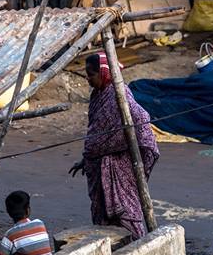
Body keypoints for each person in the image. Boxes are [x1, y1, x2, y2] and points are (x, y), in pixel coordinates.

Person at [68, 54, 159, 239]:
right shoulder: (98, 95)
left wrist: (139, 143)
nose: (88, 78)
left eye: (91, 74)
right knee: (102, 213)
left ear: (103, 73)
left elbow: (140, 118)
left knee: (124, 211)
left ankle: (136, 246)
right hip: (99, 164)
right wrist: (86, 159)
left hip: (118, 165)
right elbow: (96, 133)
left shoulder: (119, 94)